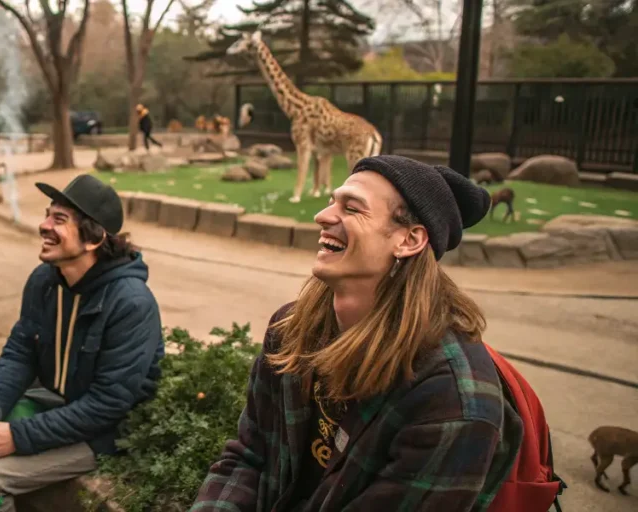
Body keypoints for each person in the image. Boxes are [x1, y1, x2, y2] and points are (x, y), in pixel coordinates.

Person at [191, 155, 524, 511]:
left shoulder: (454, 400)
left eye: (352, 208)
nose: (323, 216)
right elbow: (250, 456)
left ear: (409, 240)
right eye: (331, 202)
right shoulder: (289, 330)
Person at [0, 175, 165, 511]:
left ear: (94, 237)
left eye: (59, 219)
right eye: (46, 215)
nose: (43, 226)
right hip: (52, 403)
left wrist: (18, 437)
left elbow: (108, 405)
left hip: (103, 432)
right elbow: (21, 351)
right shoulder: (44, 281)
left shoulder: (131, 304)